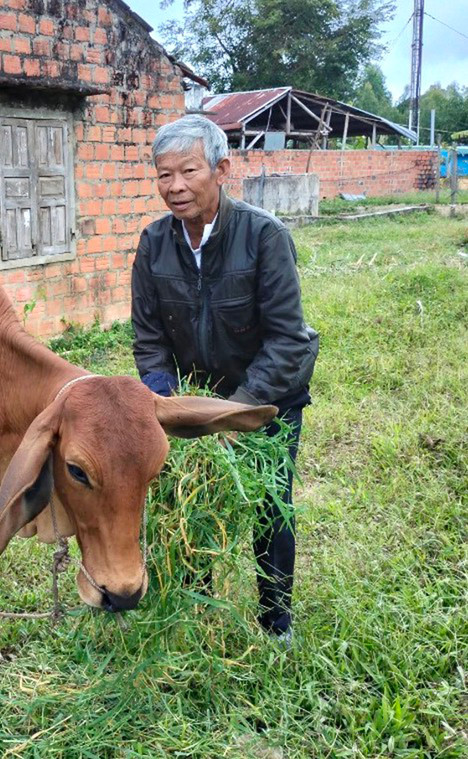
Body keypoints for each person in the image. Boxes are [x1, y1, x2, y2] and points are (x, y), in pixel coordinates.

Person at [131, 114, 319, 644]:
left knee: (269, 505)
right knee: (191, 505)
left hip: (266, 400)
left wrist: (237, 411)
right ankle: (195, 605)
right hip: (193, 405)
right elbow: (149, 340)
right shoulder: (153, 244)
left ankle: (275, 619)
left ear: (222, 169)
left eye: (188, 171)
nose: (176, 187)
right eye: (163, 175)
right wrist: (170, 404)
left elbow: (288, 339)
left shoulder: (264, 237)